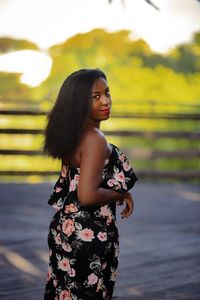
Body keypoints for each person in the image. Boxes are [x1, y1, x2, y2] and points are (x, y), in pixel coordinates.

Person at [43, 68, 138, 300]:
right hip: (89, 235)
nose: (106, 101)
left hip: (67, 229)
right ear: (78, 102)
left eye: (107, 93)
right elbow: (86, 195)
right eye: (95, 96)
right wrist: (121, 194)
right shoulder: (95, 139)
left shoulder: (73, 133)